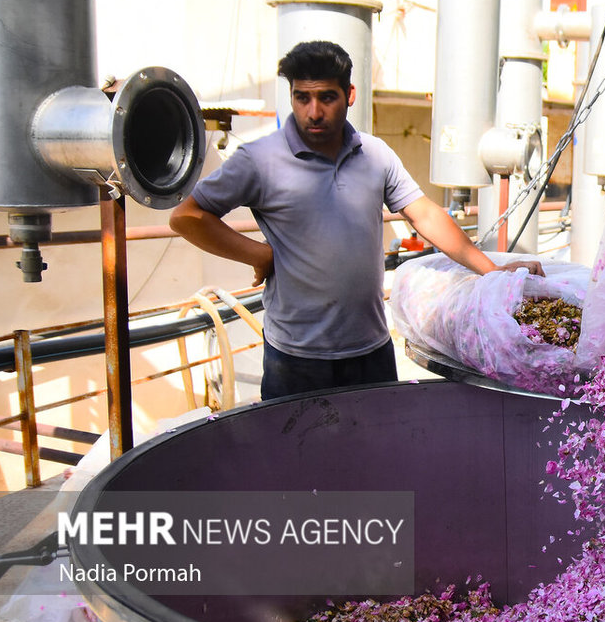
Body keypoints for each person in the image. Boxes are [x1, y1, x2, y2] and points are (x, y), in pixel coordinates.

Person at [171, 40, 543, 400]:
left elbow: (425, 214)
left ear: (349, 94)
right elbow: (187, 216)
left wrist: (492, 271)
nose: (313, 112)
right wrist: (258, 254)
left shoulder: (375, 154)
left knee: (374, 460)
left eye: (326, 98)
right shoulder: (260, 160)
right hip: (296, 360)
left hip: (370, 351)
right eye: (302, 98)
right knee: (297, 463)